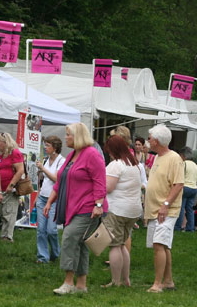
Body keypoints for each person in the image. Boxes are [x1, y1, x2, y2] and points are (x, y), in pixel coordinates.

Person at [42, 123, 106, 295]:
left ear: (78, 136)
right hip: (73, 207)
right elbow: (61, 180)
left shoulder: (92, 154)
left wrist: (98, 205)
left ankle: (68, 282)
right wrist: (49, 202)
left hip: (88, 208)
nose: (66, 137)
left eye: (68, 134)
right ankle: (81, 285)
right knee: (80, 243)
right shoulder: (72, 155)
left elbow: (100, 182)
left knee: (69, 237)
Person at [144, 125, 184, 293]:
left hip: (166, 210)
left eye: (150, 138)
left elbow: (178, 183)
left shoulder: (174, 158)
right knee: (163, 246)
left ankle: (157, 283)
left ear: (157, 141)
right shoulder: (158, 157)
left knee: (159, 244)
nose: (148, 141)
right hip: (155, 209)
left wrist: (166, 205)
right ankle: (168, 281)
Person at [102, 135, 142, 287]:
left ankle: (115, 281)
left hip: (117, 209)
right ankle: (126, 280)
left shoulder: (115, 165)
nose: (109, 154)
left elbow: (108, 187)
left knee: (115, 245)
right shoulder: (134, 164)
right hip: (133, 210)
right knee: (123, 245)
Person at [36, 135, 64, 264]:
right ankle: (43, 257)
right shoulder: (46, 160)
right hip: (42, 198)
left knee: (51, 230)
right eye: (45, 145)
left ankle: (55, 253)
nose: (45, 147)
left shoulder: (61, 161)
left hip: (54, 199)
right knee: (41, 230)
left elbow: (56, 179)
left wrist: (43, 169)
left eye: (48, 145)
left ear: (55, 148)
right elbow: (43, 180)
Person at [0, 132, 25, 242]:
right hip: (1, 188)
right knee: (3, 212)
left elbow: (20, 170)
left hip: (10, 188)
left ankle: (8, 237)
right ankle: (4, 235)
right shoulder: (1, 155)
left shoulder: (15, 153)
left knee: (9, 213)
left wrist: (11, 185)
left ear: (5, 142)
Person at [178, 147, 197, 232]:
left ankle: (177, 226)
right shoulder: (195, 165)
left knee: (181, 208)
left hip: (185, 187)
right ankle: (191, 227)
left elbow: (180, 176)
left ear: (183, 155)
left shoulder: (184, 164)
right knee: (190, 209)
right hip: (194, 188)